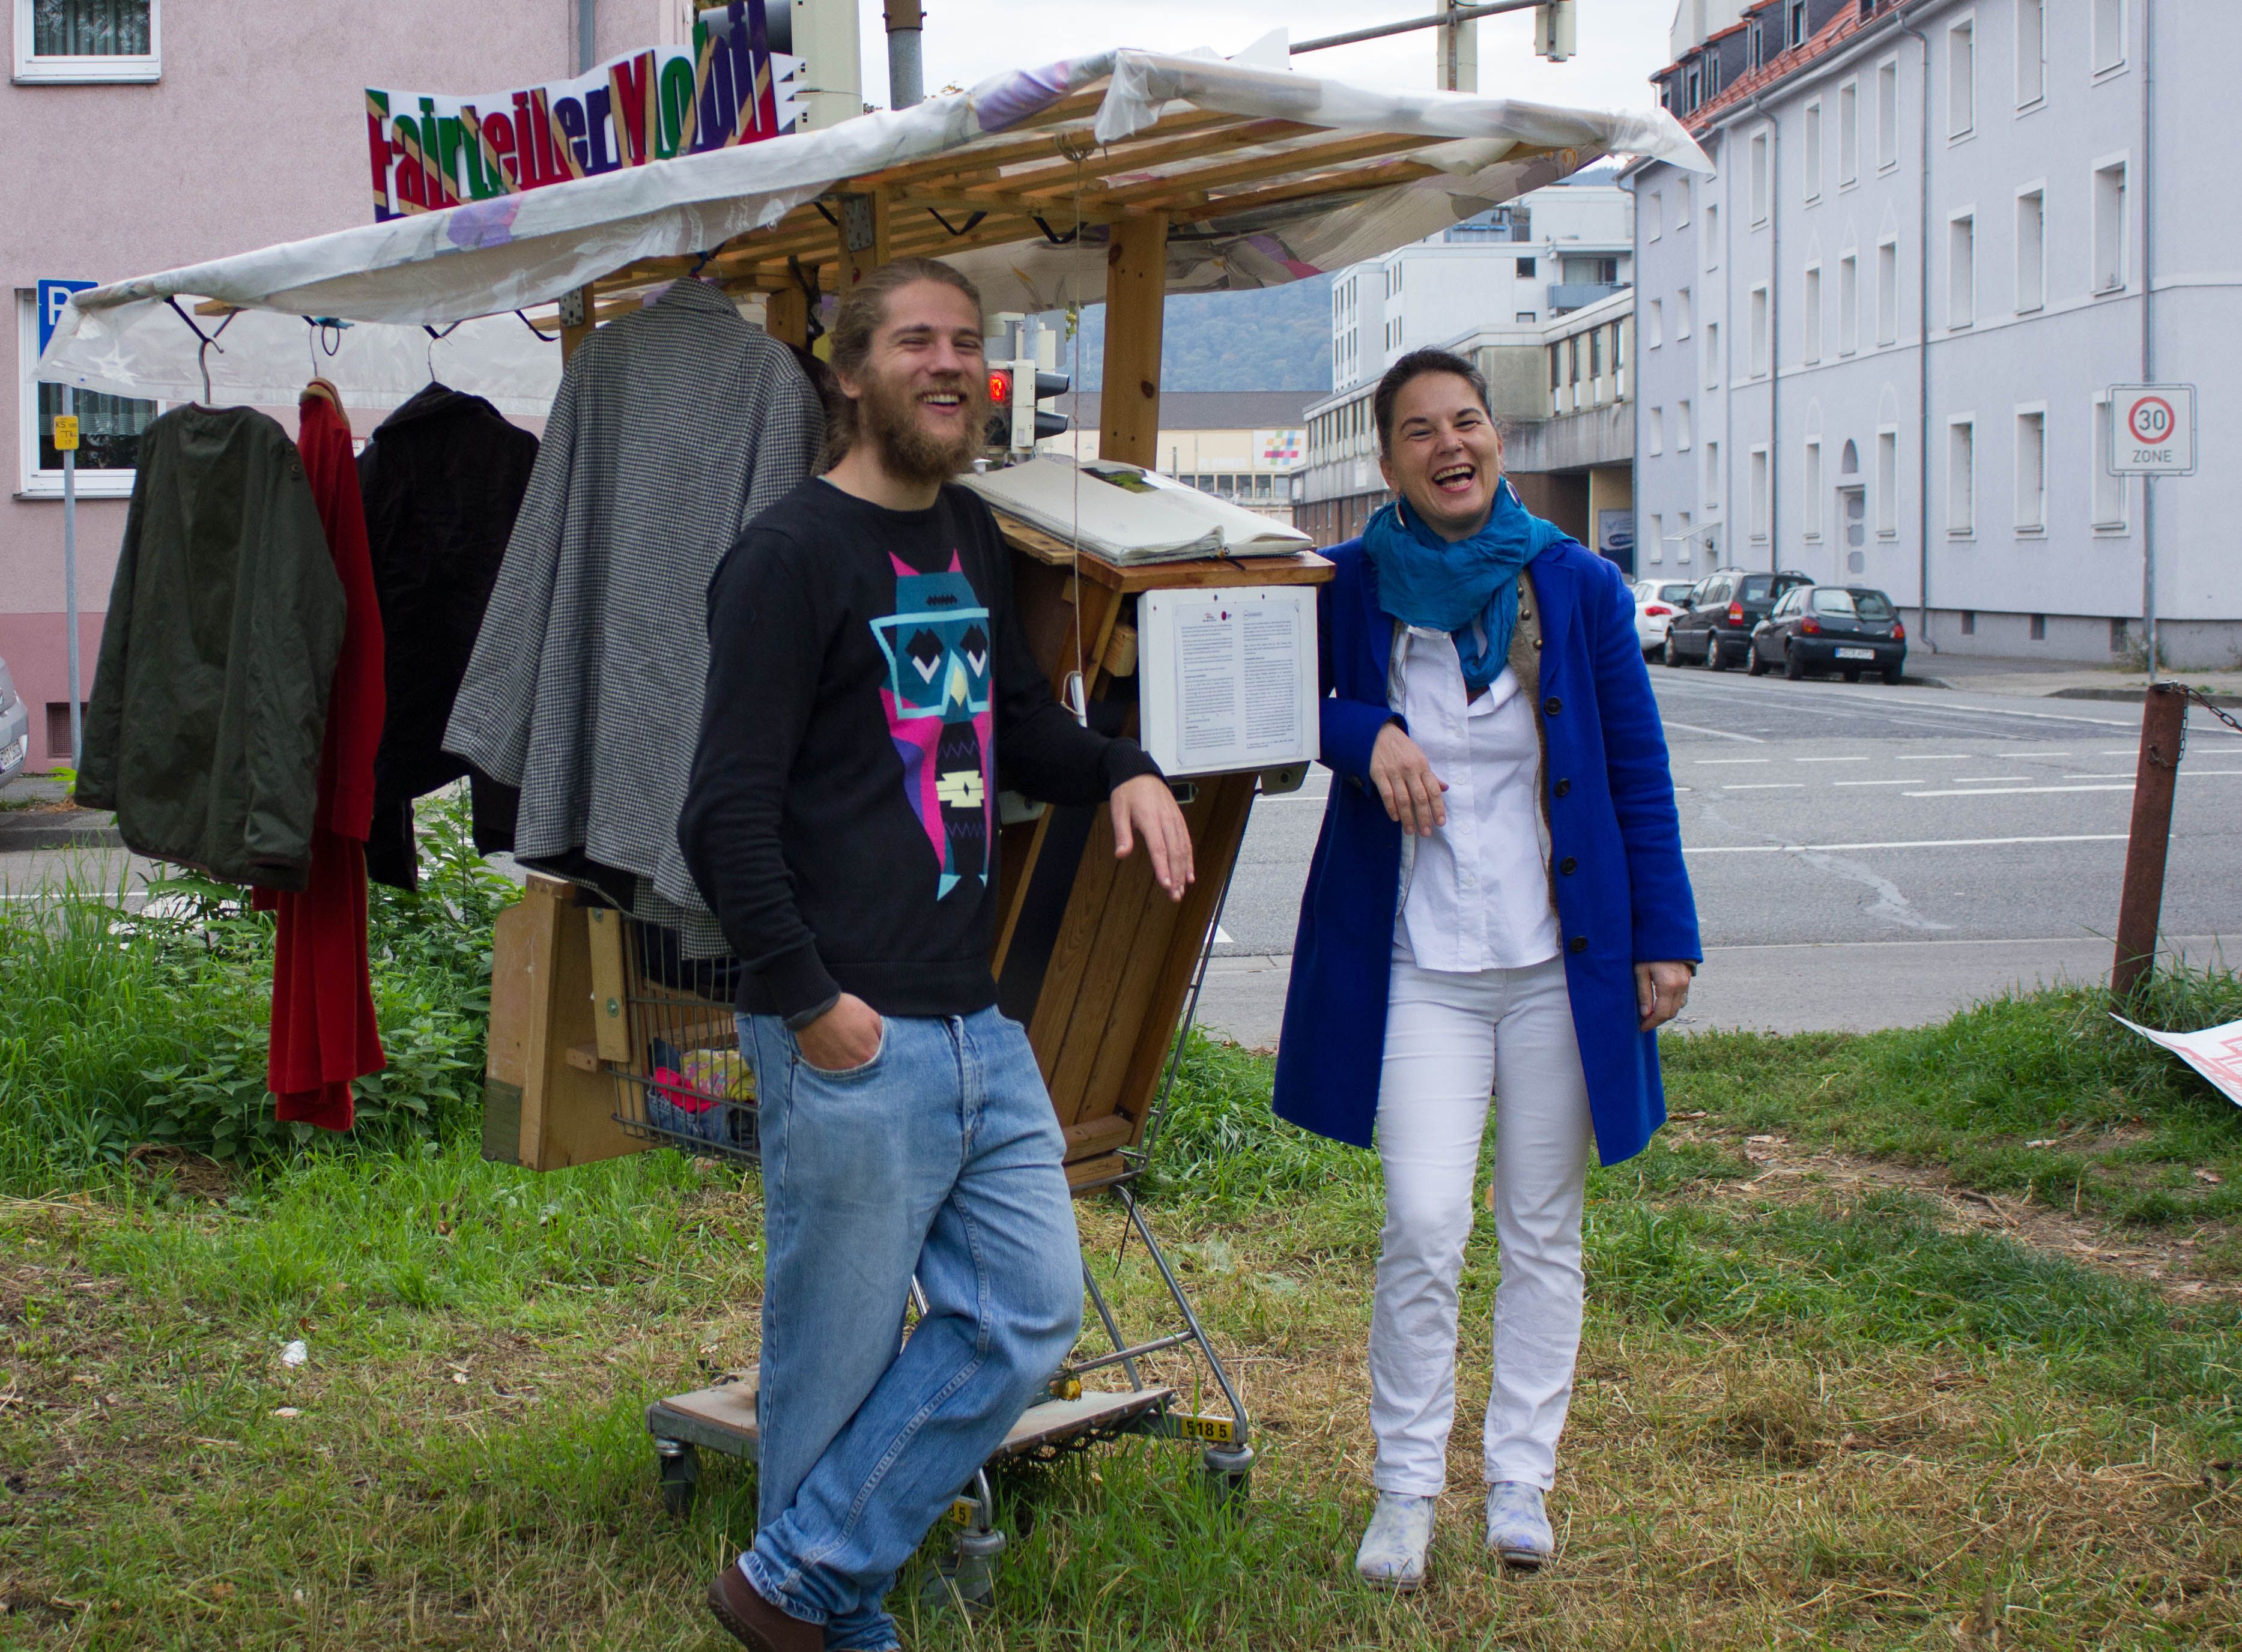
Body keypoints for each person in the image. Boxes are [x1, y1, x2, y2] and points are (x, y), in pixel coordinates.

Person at [677, 258, 1194, 1652]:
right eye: (916, 339)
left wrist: (1128, 766)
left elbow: (1018, 727)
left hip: (977, 1018)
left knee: (1027, 1316)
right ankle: (825, 1617)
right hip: (851, 1024)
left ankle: (797, 1574)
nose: (950, 362)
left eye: (967, 341)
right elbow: (720, 812)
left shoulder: (966, 533)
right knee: (831, 1362)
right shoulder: (785, 558)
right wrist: (812, 1001)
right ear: (848, 374)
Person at [1271, 348, 1700, 1588]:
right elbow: (1285, 698)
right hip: (1419, 963)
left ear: (1494, 436)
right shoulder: (1348, 584)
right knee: (1420, 1221)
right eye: (1419, 430)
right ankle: (1404, 1486)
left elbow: (1635, 769)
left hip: (1560, 966)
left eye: (1466, 421)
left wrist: (1664, 933)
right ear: (1386, 458)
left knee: (1542, 1227)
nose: (1449, 444)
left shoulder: (1572, 585)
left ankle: (1520, 1475)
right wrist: (1369, 732)